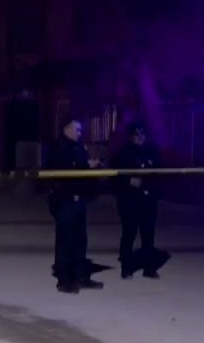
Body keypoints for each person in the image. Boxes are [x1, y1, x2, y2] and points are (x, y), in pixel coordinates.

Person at [46, 118, 105, 294]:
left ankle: (80, 276)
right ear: (66, 129)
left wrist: (93, 167)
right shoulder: (58, 147)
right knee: (65, 240)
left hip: (79, 198)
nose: (80, 133)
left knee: (80, 240)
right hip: (64, 198)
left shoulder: (79, 147)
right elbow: (62, 168)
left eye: (80, 130)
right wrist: (85, 165)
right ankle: (64, 279)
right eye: (77, 129)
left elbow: (82, 168)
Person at [111, 122, 162, 279]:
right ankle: (127, 268)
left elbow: (160, 172)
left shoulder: (152, 151)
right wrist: (128, 181)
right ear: (130, 136)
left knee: (148, 234)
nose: (141, 137)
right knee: (129, 233)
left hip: (148, 199)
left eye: (143, 134)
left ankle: (149, 268)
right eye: (137, 134)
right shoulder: (123, 153)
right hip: (129, 199)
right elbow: (114, 176)